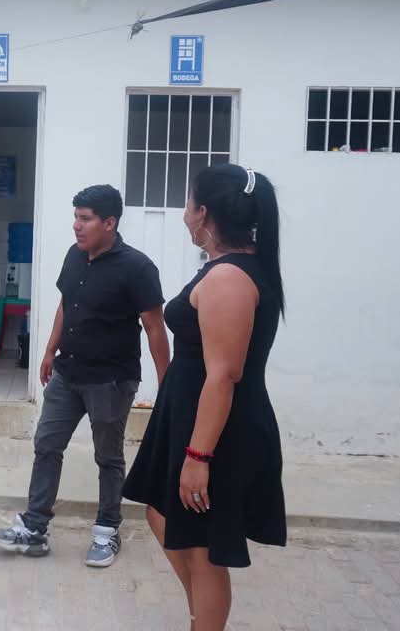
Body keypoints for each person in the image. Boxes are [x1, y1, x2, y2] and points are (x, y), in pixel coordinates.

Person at [122, 165, 287, 631]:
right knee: (164, 517)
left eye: (188, 203)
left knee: (201, 547)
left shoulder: (228, 278)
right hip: (191, 419)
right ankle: (202, 616)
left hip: (216, 430)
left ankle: (205, 622)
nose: (183, 215)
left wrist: (199, 456)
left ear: (205, 213)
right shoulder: (225, 269)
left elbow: (224, 376)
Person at [0, 184, 170, 567]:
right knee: (47, 443)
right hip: (68, 373)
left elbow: (155, 328)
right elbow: (65, 305)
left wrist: (167, 385)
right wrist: (48, 351)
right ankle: (35, 527)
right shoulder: (74, 256)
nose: (76, 225)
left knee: (108, 456)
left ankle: (107, 529)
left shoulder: (137, 267)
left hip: (110, 381)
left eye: (85, 219)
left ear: (110, 222)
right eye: (76, 217)